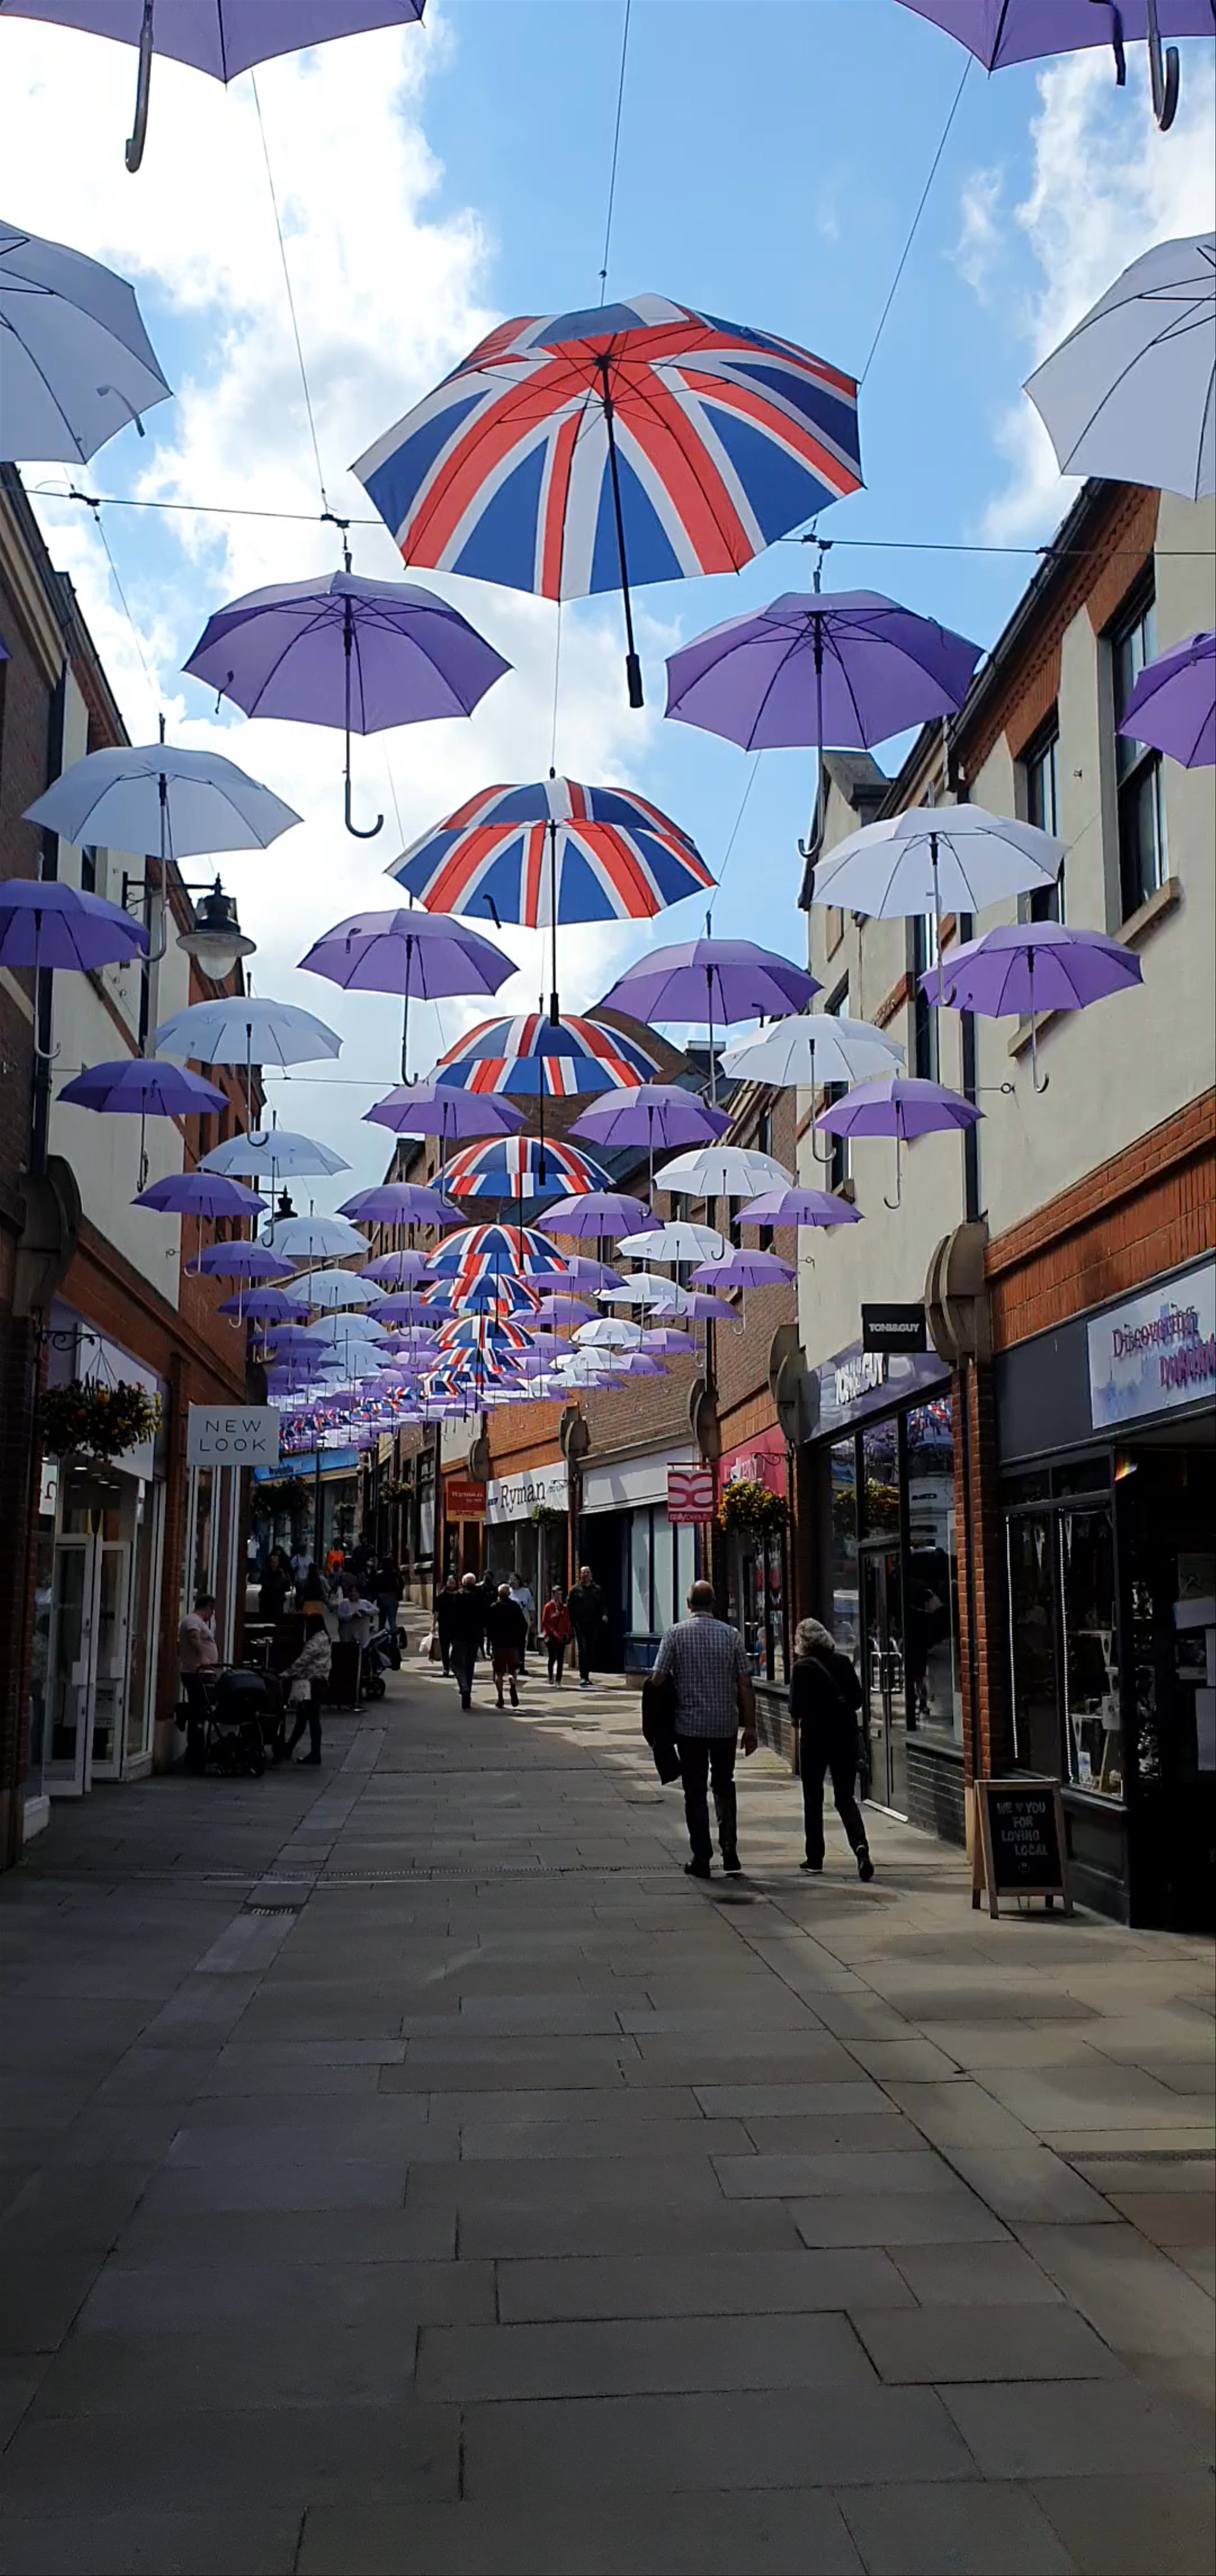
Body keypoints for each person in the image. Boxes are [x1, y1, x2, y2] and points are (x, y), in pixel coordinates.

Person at [651, 1580, 757, 1880]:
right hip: (725, 1725)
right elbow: (745, 1683)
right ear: (714, 1603)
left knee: (694, 1791)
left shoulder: (675, 1634)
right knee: (724, 1784)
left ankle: (701, 1856)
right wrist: (750, 1726)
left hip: (690, 1727)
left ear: (689, 1604)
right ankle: (730, 1849)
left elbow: (657, 1680)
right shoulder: (732, 1635)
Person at [789, 1617, 874, 1882]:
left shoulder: (801, 1668)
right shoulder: (843, 1663)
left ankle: (815, 1858)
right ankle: (861, 1848)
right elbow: (858, 1700)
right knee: (845, 1797)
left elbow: (795, 1709)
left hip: (814, 1740)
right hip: (844, 1739)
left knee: (813, 1799)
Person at [281, 1612, 332, 1765]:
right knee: (303, 1719)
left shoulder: (315, 1642)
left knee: (310, 1719)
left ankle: (314, 1754)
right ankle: (290, 1748)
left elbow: (303, 1662)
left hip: (312, 1685)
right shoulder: (325, 1639)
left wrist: (286, 1674)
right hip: (320, 1683)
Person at [177, 1590, 218, 1769]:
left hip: (200, 1673)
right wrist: (203, 1657)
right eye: (213, 1611)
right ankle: (195, 1749)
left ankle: (197, 1748)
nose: (213, 1615)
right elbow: (194, 1638)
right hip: (196, 1674)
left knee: (199, 1708)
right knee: (200, 1709)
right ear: (208, 1607)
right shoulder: (193, 1620)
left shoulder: (198, 1621)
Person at [447, 1571, 485, 1711]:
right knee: (470, 1666)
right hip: (475, 1637)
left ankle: (464, 1686)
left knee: (457, 1664)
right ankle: (467, 1696)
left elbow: (453, 1617)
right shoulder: (480, 1597)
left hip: (460, 1636)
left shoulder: (458, 1596)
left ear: (463, 1583)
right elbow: (484, 1616)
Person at [485, 1582, 527, 1708]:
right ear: (509, 1594)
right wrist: (520, 1640)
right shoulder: (515, 1607)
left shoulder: (493, 1607)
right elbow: (523, 1624)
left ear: (499, 1594)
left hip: (499, 1645)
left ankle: (500, 1698)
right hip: (513, 1644)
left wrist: (489, 1643)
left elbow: (489, 1627)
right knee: (513, 1670)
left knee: (498, 1673)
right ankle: (512, 1683)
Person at [567, 1565, 604, 1688]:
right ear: (580, 1575)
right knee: (582, 1649)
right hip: (579, 1624)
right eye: (584, 1573)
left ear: (591, 1575)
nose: (586, 1575)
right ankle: (583, 1677)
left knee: (590, 1650)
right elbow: (569, 1607)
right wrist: (571, 1623)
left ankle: (587, 1675)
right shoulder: (575, 1590)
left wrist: (605, 1615)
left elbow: (603, 1605)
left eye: (588, 1573)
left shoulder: (597, 1590)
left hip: (593, 1624)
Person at [375, 1559, 404, 1668]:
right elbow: (401, 1586)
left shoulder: (379, 1575)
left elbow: (375, 1586)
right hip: (392, 1597)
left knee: (382, 1620)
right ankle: (393, 1639)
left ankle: (381, 1639)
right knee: (392, 1620)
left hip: (382, 1597)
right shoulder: (396, 1575)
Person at [541, 1584, 572, 1685]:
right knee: (552, 1658)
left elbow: (567, 1622)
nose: (559, 1597)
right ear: (553, 1594)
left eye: (561, 1595)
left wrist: (568, 1633)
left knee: (561, 1660)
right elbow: (545, 1622)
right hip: (552, 1637)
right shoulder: (549, 1607)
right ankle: (551, 1677)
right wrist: (555, 1617)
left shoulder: (564, 1608)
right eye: (557, 1594)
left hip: (561, 1637)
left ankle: (559, 1680)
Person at [506, 1567, 535, 1670]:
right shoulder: (508, 1592)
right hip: (510, 1623)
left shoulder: (526, 1592)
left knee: (521, 1644)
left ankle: (521, 1665)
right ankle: (511, 1665)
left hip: (523, 1622)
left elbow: (531, 1607)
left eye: (514, 1580)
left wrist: (533, 1620)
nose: (512, 1582)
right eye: (510, 1580)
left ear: (519, 1581)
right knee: (511, 1645)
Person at [258, 1547, 292, 1622]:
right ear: (270, 1563)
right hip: (267, 1601)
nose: (274, 1565)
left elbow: (287, 1587)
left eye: (276, 1563)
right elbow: (264, 1583)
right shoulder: (266, 1573)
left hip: (278, 1601)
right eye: (273, 1563)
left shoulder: (282, 1573)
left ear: (278, 1564)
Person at [435, 1573, 459, 1675]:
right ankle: (446, 1667)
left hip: (457, 1625)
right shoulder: (441, 1597)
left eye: (453, 1583)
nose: (451, 1585)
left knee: (457, 1647)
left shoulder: (460, 1596)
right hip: (444, 1625)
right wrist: (433, 1626)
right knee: (445, 1648)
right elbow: (436, 1612)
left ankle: (453, 1664)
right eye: (450, 1583)